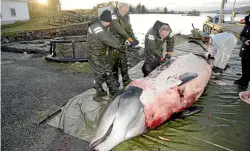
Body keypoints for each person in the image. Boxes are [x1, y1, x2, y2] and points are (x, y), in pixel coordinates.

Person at [87, 10, 125, 100]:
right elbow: (106, 39)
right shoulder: (97, 27)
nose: (109, 24)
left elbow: (111, 37)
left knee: (109, 70)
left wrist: (120, 44)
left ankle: (113, 90)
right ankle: (99, 93)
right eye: (108, 22)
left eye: (110, 22)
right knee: (100, 74)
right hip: (94, 55)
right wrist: (119, 46)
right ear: (102, 20)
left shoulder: (104, 27)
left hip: (102, 54)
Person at [110, 2, 139, 86]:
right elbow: (119, 29)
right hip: (113, 42)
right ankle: (114, 83)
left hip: (122, 42)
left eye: (126, 11)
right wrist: (129, 39)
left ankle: (126, 80)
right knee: (114, 63)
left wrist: (134, 38)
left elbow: (129, 29)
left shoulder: (126, 16)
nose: (125, 13)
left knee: (123, 61)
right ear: (119, 9)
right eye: (123, 11)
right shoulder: (113, 16)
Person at [235, 14, 250, 89]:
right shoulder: (247, 25)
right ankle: (242, 78)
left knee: (248, 67)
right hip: (245, 48)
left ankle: (245, 83)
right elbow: (241, 35)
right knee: (244, 65)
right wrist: (245, 40)